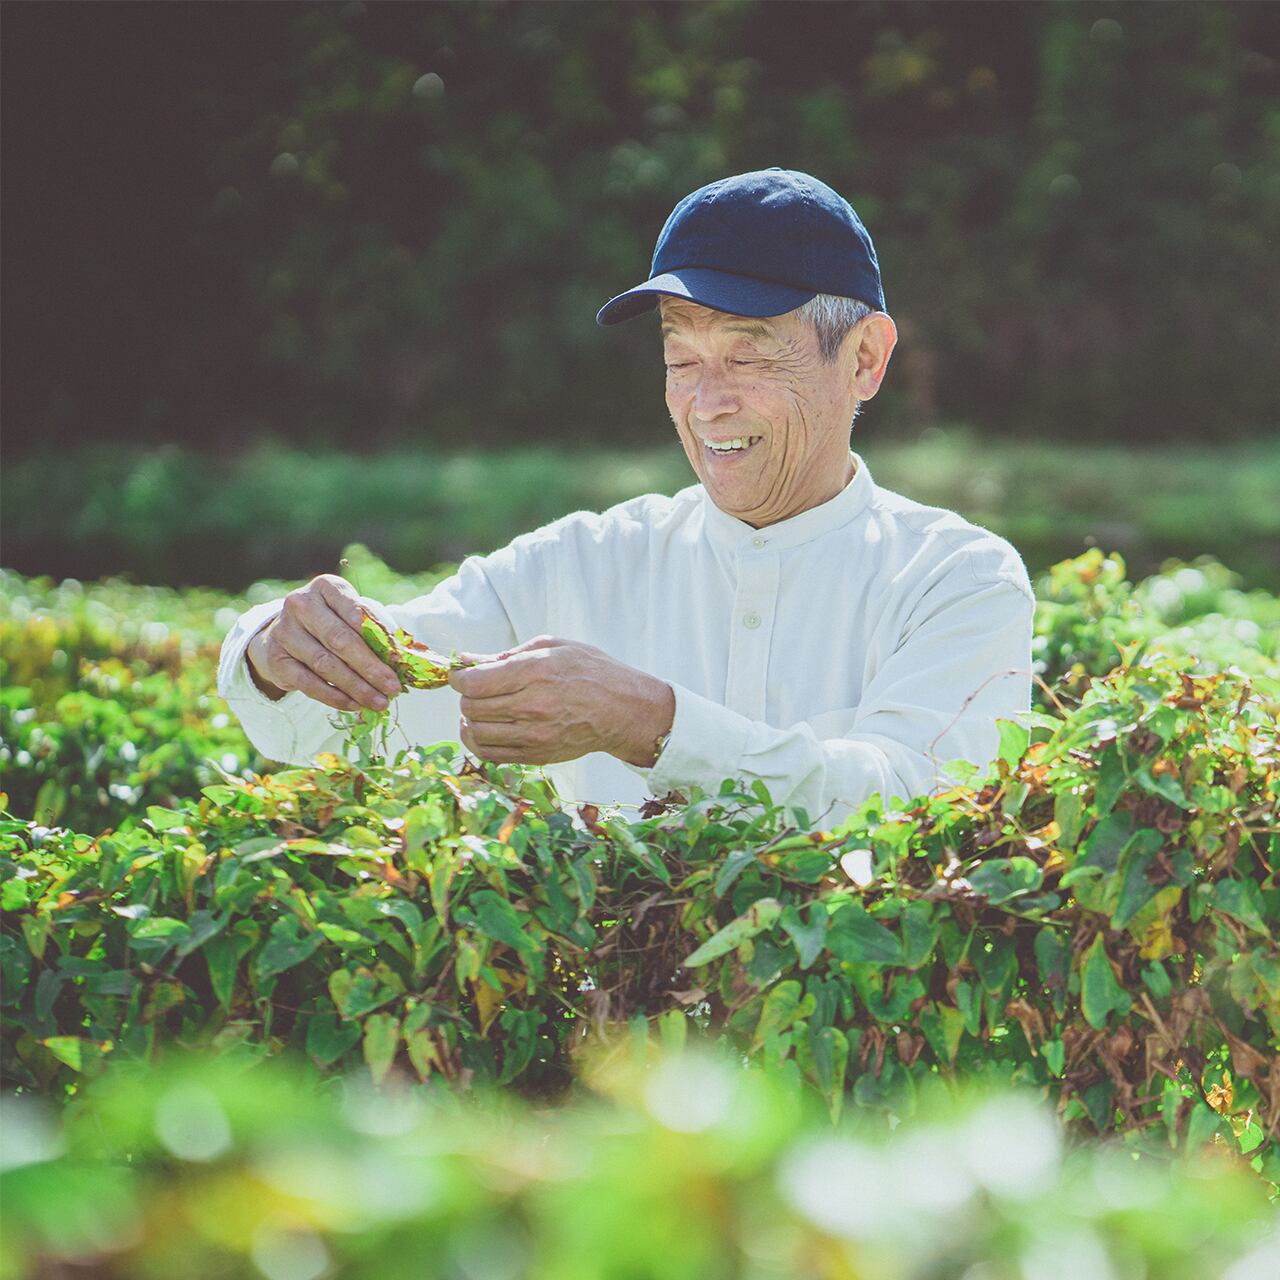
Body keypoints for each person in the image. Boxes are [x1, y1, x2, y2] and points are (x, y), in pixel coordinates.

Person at [218, 167, 1034, 827]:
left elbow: (918, 804)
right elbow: (336, 721)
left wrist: (654, 725)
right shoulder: (579, 563)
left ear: (864, 358)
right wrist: (272, 650)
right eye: (682, 359)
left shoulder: (956, 579)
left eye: (747, 356)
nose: (707, 402)